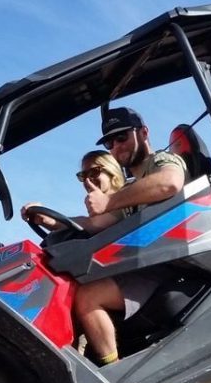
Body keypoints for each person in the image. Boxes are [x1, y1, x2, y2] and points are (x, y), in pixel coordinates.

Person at [75, 107, 188, 366]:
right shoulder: (132, 189)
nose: (116, 146)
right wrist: (51, 220)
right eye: (109, 142)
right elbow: (98, 225)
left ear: (144, 132)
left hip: (170, 262)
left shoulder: (162, 161)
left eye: (122, 137)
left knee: (88, 296)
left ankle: (111, 376)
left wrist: (109, 200)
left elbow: (169, 183)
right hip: (146, 262)